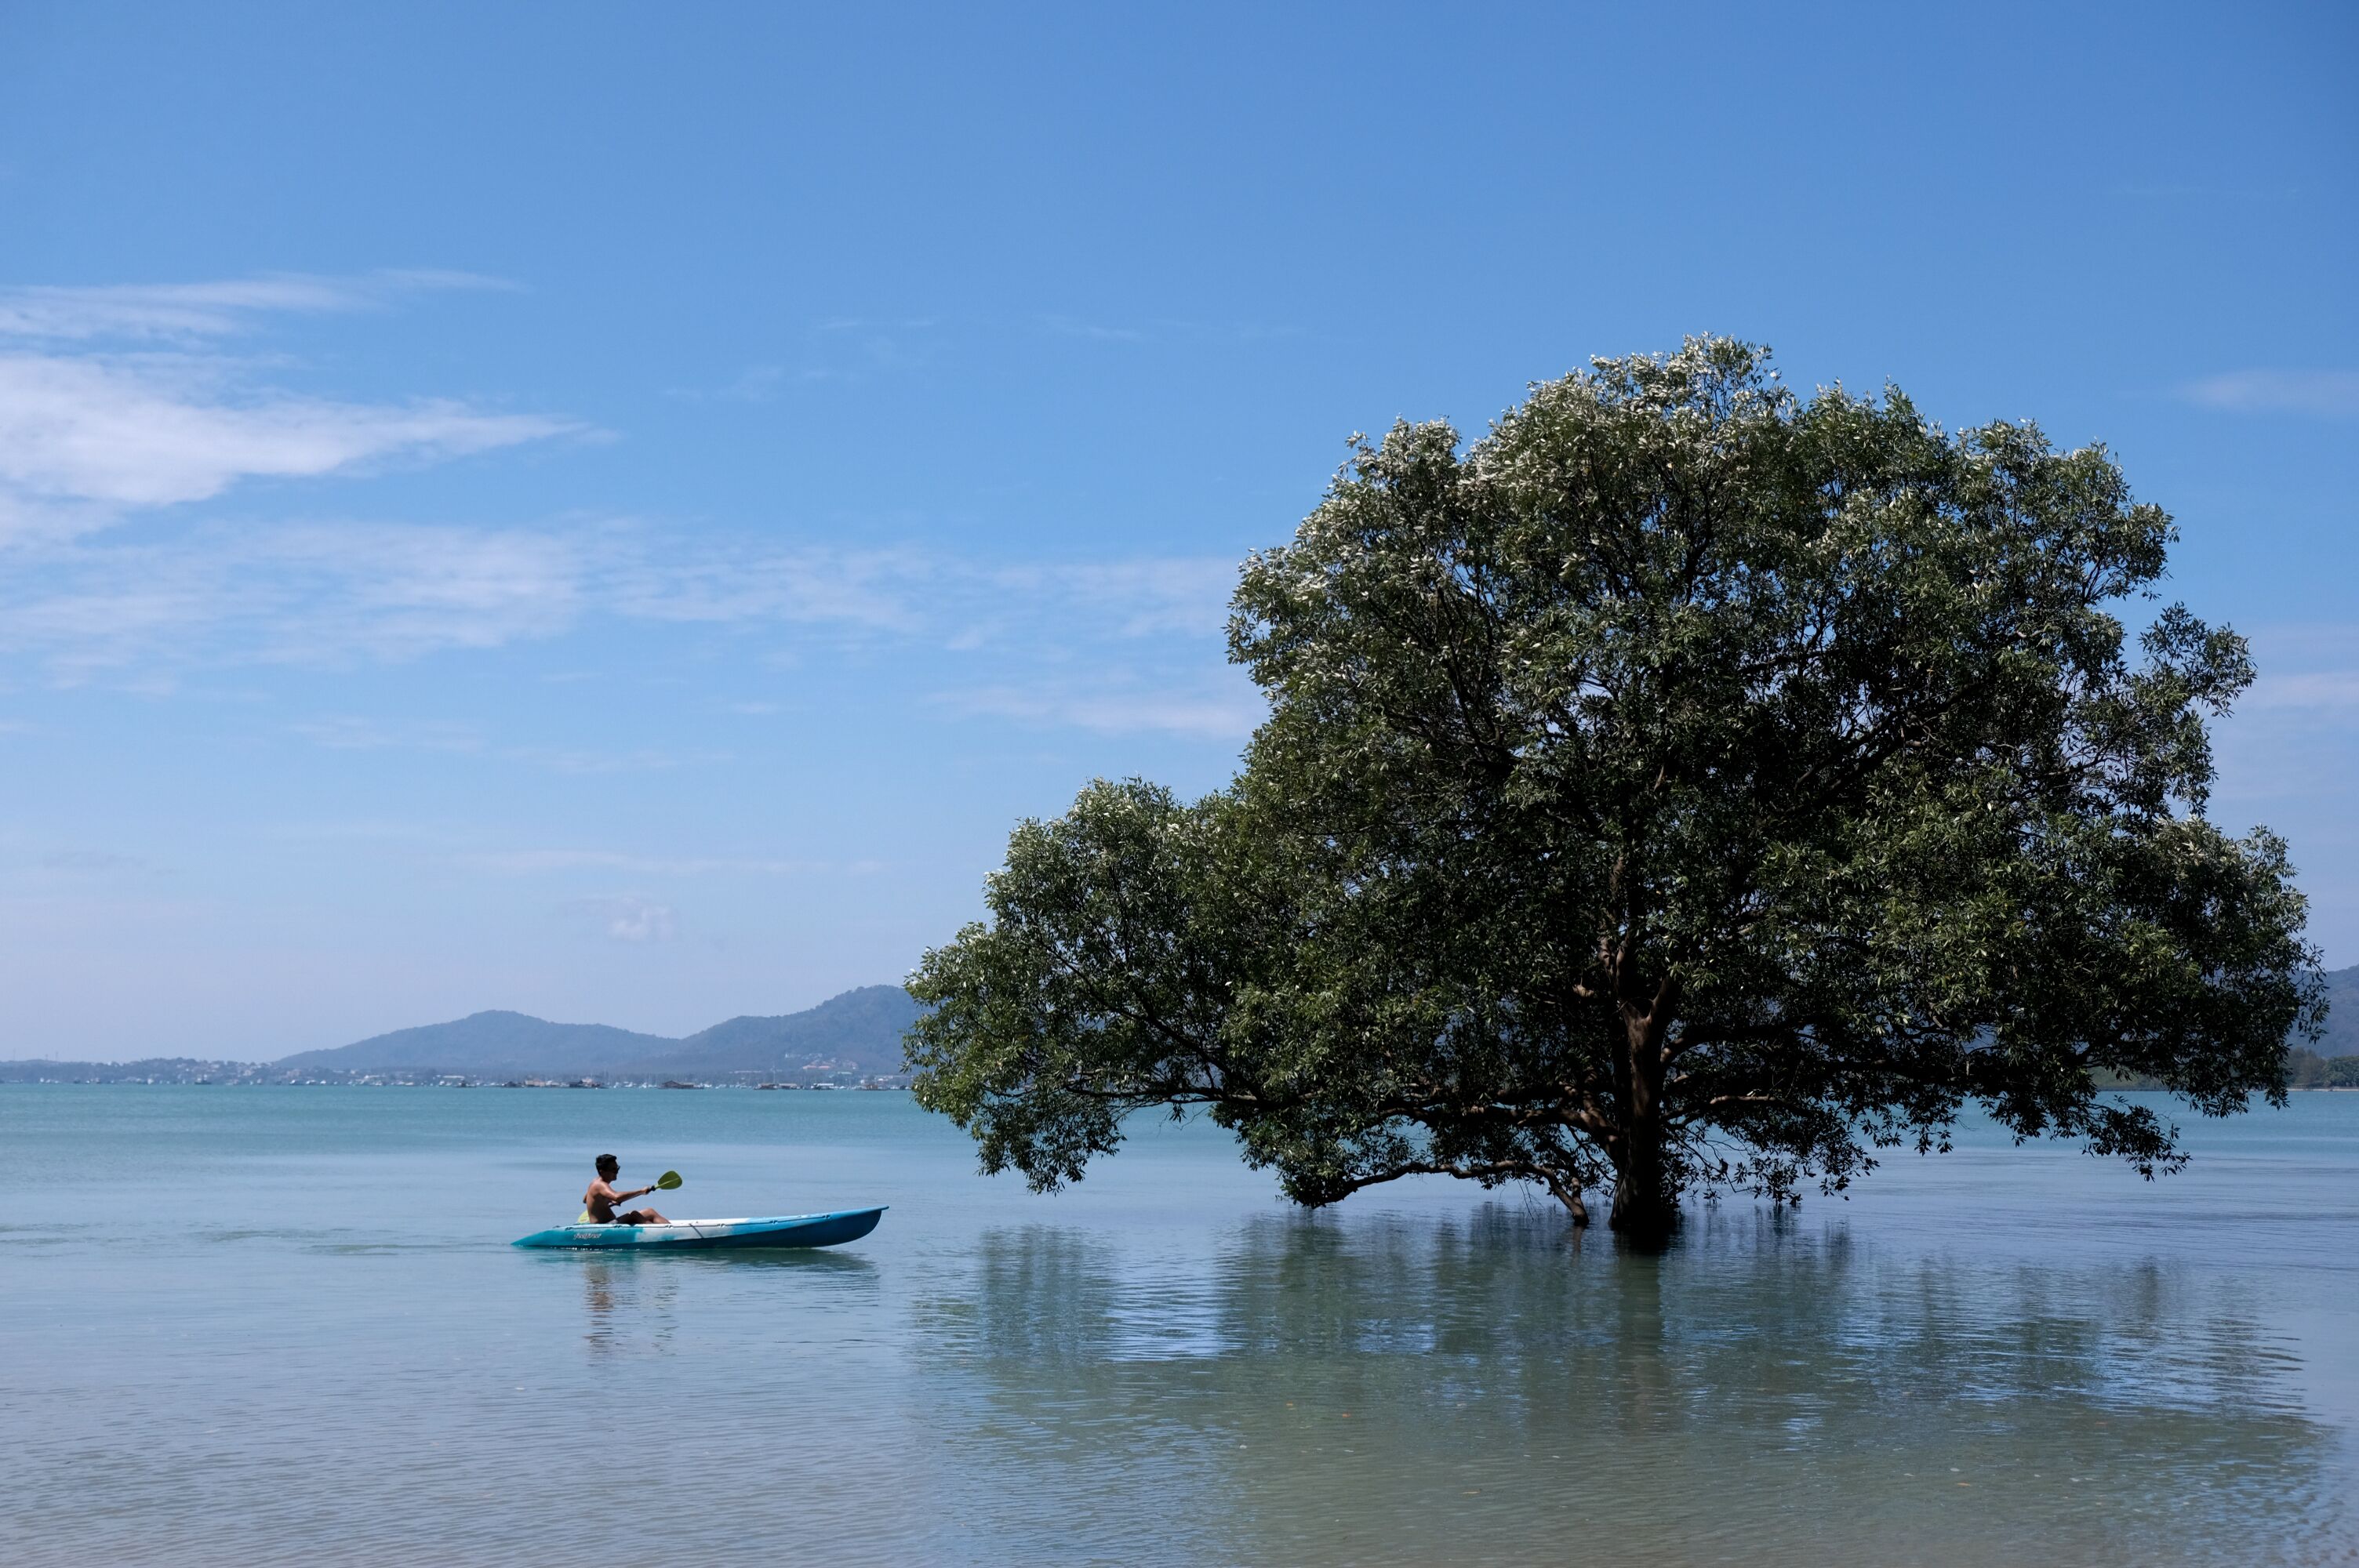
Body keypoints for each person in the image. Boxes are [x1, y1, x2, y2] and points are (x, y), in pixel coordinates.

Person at [584, 1153, 670, 1225]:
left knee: (650, 1212)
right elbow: (617, 1197)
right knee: (634, 1215)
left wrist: (608, 1200)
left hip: (609, 1223)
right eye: (613, 1170)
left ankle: (669, 1229)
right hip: (604, 1227)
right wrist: (641, 1191)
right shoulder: (600, 1185)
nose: (616, 1172)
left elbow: (586, 1199)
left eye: (617, 1168)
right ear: (602, 1171)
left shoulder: (595, 1182)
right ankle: (658, 1234)